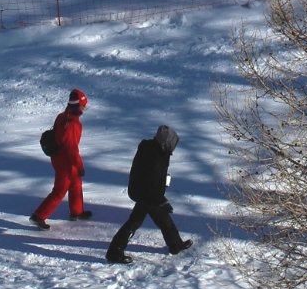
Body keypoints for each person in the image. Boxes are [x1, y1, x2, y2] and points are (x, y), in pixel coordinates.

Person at [106, 124, 193, 264]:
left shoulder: (156, 149)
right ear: (166, 142)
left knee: (162, 219)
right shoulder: (156, 155)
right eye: (172, 143)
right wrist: (161, 201)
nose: (173, 148)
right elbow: (151, 181)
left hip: (146, 192)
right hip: (145, 193)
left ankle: (175, 244)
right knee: (135, 222)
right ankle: (114, 252)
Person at [31, 88, 94, 229]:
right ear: (78, 105)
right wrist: (79, 166)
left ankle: (76, 211)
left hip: (59, 158)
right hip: (65, 162)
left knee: (76, 183)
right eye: (84, 106)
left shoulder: (62, 116)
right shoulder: (72, 124)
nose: (85, 108)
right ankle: (38, 216)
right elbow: (71, 149)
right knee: (60, 189)